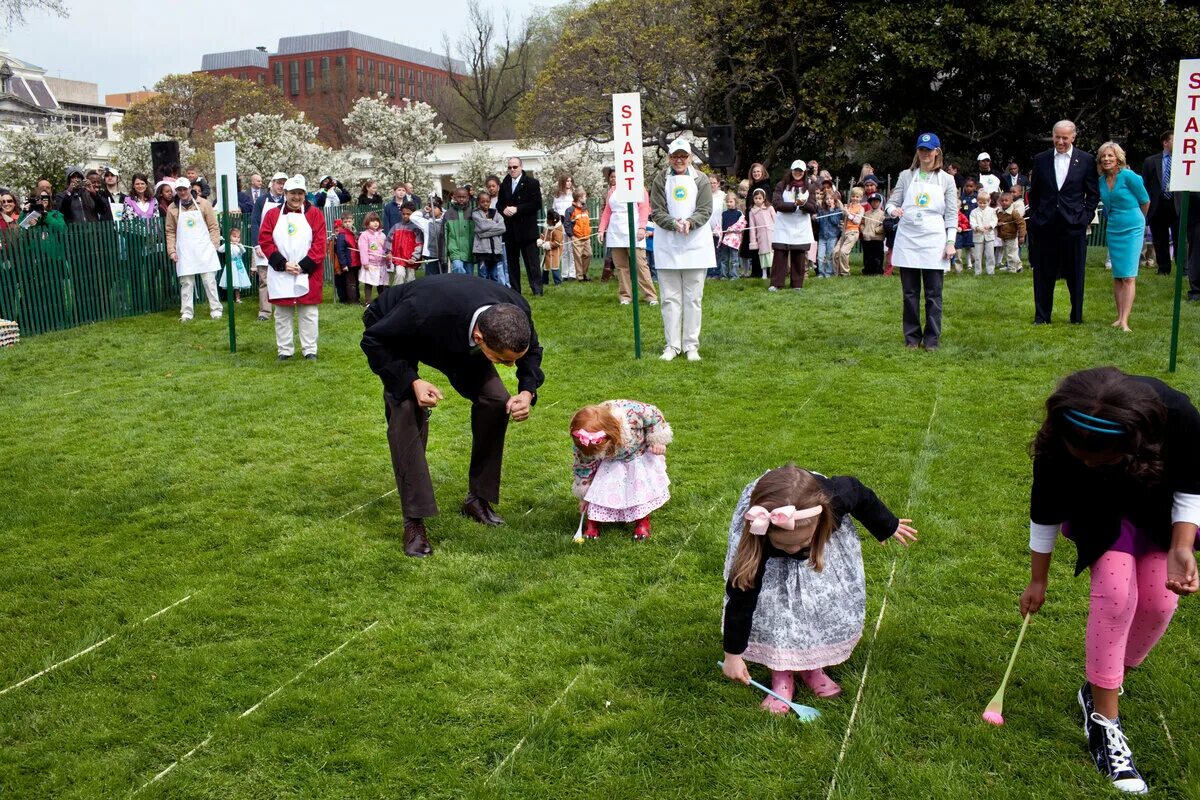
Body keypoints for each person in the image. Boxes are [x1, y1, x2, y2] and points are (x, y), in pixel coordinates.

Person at [1019, 367, 1199, 795]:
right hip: (1100, 513)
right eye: (1081, 458)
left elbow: (1192, 484)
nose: (1088, 463)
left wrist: (1181, 547)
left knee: (1160, 604)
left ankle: (1101, 683)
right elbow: (1044, 510)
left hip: (1158, 511)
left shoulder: (1179, 417)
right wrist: (1037, 580)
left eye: (1102, 460)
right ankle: (1104, 720)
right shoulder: (1060, 437)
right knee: (1116, 596)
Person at [360, 274, 545, 557]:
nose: (510, 366)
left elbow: (531, 351)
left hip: (455, 333)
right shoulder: (420, 310)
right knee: (408, 410)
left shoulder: (514, 308)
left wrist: (527, 390)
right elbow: (373, 340)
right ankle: (414, 521)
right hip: (398, 334)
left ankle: (477, 499)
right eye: (504, 360)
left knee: (496, 400)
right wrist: (412, 381)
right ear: (479, 337)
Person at [721, 464, 917, 709]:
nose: (794, 551)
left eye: (801, 543)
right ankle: (782, 674)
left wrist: (887, 524)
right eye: (785, 546)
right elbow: (741, 598)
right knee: (779, 611)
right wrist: (733, 654)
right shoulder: (757, 539)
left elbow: (858, 492)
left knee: (816, 605)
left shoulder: (834, 500)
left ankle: (812, 666)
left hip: (819, 544)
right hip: (767, 547)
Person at [886, 132, 958, 350]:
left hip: (933, 239)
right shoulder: (906, 176)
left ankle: (932, 339)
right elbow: (892, 202)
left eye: (929, 150)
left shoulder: (947, 179)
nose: (925, 154)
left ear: (937, 152)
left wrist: (950, 241)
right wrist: (892, 210)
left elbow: (952, 213)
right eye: (921, 149)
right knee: (909, 293)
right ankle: (912, 337)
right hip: (908, 237)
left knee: (934, 294)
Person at [1028, 120, 1100, 324]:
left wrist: (1085, 217)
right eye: (1057, 137)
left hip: (1074, 224)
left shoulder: (1086, 160)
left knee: (1076, 272)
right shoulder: (1041, 159)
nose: (1060, 141)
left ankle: (1076, 316)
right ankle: (1042, 316)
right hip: (1045, 224)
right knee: (1043, 272)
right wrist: (1036, 216)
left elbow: (1093, 194)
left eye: (1064, 138)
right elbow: (1035, 193)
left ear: (1073, 137)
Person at [650, 138, 714, 362]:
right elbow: (657, 210)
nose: (679, 160)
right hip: (668, 244)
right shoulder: (660, 179)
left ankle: (691, 345)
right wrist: (673, 223)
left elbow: (706, 209)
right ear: (669, 158)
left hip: (695, 244)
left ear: (690, 158)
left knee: (693, 299)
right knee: (669, 298)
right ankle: (672, 345)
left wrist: (690, 222)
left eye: (683, 156)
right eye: (675, 156)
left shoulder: (701, 179)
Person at [571, 400, 673, 541]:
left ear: (612, 433)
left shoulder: (634, 414)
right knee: (598, 487)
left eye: (599, 449)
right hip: (606, 463)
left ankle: (642, 521)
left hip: (634, 456)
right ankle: (592, 522)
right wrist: (584, 495)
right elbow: (583, 468)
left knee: (638, 488)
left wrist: (657, 440)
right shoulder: (583, 446)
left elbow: (655, 416)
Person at [258, 175, 326, 361]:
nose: (296, 197)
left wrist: (304, 266)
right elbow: (265, 240)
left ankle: (309, 349)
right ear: (285, 193)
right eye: (293, 193)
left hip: (308, 272)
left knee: (309, 312)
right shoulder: (272, 215)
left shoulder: (314, 214)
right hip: (281, 272)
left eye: (300, 193)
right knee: (282, 313)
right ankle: (285, 350)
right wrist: (282, 263)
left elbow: (320, 243)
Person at [1096, 142, 1150, 332]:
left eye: (1110, 156)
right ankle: (1119, 317)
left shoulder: (1129, 176)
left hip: (1132, 226)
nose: (1106, 159)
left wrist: (1139, 221)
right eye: (1103, 156)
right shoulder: (1101, 181)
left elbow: (1145, 200)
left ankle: (1125, 321)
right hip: (1114, 227)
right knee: (1118, 275)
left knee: (1128, 275)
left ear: (1118, 158)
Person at [165, 177, 222, 322]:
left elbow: (213, 226)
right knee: (187, 282)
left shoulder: (204, 204)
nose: (183, 192)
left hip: (204, 248)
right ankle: (187, 312)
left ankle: (216, 309)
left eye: (185, 189)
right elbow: (170, 231)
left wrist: (213, 245)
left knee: (209, 281)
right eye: (179, 190)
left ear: (190, 188)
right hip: (184, 250)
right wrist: (171, 251)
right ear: (176, 191)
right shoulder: (172, 208)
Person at [600, 178, 658, 304]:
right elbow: (607, 211)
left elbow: (644, 208)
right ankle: (625, 296)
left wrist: (642, 227)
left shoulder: (639, 188)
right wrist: (601, 229)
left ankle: (650, 296)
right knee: (621, 267)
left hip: (634, 228)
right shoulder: (612, 190)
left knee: (640, 264)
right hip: (616, 231)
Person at [497, 157, 544, 295]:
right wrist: (504, 209)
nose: (512, 170)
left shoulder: (532, 183)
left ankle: (537, 290)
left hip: (527, 229)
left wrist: (518, 209)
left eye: (515, 167)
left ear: (521, 167)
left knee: (532, 262)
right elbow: (500, 204)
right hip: (510, 229)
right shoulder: (505, 183)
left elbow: (536, 204)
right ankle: (515, 291)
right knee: (512, 263)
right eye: (510, 167)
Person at [770, 160, 819, 290]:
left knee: (799, 255)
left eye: (800, 171)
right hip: (783, 225)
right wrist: (794, 205)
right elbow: (777, 203)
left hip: (801, 226)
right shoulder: (781, 185)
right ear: (791, 171)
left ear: (804, 172)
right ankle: (776, 283)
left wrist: (803, 205)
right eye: (795, 170)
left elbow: (813, 207)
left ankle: (797, 284)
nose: (798, 173)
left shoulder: (810, 187)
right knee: (780, 255)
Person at [250, 173, 288, 322]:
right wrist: (256, 244)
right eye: (279, 183)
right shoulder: (261, 200)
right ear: (272, 183)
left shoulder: (287, 200)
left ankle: (283, 308)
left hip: (282, 246)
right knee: (264, 280)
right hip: (263, 245)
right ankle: (265, 312)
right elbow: (255, 223)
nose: (281, 186)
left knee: (282, 276)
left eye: (284, 183)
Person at [1141, 132, 1177, 276]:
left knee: (1180, 239)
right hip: (1158, 205)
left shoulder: (1183, 162)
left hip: (1176, 203)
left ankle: (1184, 269)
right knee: (1160, 239)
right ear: (1165, 142)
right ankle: (1163, 268)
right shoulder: (1151, 161)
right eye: (1175, 140)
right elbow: (1145, 184)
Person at [472, 189, 507, 284]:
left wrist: (483, 234)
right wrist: (495, 224)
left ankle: (494, 294)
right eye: (482, 201)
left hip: (495, 250)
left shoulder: (496, 213)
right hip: (482, 250)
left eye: (487, 201)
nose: (485, 203)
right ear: (478, 202)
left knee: (494, 275)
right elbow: (482, 226)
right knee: (483, 274)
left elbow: (502, 228)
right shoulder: (475, 214)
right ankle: (483, 294)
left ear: (490, 201)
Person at [388, 201, 424, 286]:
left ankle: (409, 296)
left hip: (411, 260)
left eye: (408, 214)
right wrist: (388, 252)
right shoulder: (396, 227)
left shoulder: (416, 228)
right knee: (400, 275)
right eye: (403, 214)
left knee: (410, 279)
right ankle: (396, 294)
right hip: (399, 258)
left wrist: (414, 257)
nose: (405, 216)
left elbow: (419, 244)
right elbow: (389, 240)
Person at [358, 211, 389, 304]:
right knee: (369, 283)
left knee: (381, 283)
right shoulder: (364, 235)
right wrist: (365, 262)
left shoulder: (382, 235)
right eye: (372, 221)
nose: (375, 223)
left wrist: (387, 260)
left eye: (377, 221)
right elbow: (363, 250)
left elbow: (386, 248)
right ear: (367, 223)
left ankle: (383, 301)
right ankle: (368, 302)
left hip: (381, 264)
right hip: (371, 264)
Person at [833, 186, 865, 276]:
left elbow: (857, 221)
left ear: (861, 198)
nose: (855, 198)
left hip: (853, 232)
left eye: (857, 197)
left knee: (843, 252)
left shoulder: (861, 208)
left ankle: (845, 273)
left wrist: (848, 214)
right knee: (835, 252)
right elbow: (844, 216)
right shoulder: (848, 206)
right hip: (844, 231)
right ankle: (836, 272)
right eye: (853, 196)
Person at [444, 186, 475, 276]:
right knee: (458, 268)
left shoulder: (472, 212)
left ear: (468, 197)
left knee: (469, 275)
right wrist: (445, 253)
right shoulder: (449, 213)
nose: (461, 199)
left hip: (469, 250)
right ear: (454, 197)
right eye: (459, 197)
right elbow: (444, 234)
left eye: (464, 197)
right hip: (454, 249)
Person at [217, 226, 251, 303]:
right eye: (234, 236)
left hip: (238, 266)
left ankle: (238, 298)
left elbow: (243, 251)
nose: (236, 239)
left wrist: (240, 245)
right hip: (231, 265)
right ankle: (230, 298)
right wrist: (227, 244)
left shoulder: (239, 246)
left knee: (237, 283)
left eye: (238, 237)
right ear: (229, 237)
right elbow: (220, 250)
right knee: (231, 281)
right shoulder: (228, 245)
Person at [814, 188, 843, 278]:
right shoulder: (821, 210)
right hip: (822, 236)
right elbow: (819, 222)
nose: (829, 200)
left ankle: (829, 272)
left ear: (834, 200)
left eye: (831, 199)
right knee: (820, 256)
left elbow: (835, 221)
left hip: (832, 236)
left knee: (829, 255)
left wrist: (831, 211)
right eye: (827, 199)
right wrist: (815, 218)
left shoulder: (838, 210)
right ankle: (821, 272)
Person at [716, 193, 746, 281]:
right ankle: (724, 275)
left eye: (731, 202)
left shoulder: (739, 213)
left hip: (734, 240)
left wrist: (732, 229)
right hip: (724, 240)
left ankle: (734, 276)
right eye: (727, 202)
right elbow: (719, 225)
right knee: (724, 259)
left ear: (735, 202)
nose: (729, 203)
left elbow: (741, 224)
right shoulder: (723, 214)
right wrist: (718, 231)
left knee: (734, 259)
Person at [995, 191, 1027, 273]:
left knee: (1011, 253)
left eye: (1006, 200)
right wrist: (997, 224)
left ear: (1011, 201)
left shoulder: (1014, 212)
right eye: (1002, 201)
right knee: (1010, 252)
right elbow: (994, 221)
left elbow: (1021, 224)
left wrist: (1022, 236)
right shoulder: (998, 212)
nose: (1004, 202)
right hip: (1003, 236)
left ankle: (1012, 269)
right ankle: (1019, 267)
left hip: (1012, 236)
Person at [747, 187, 775, 279]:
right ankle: (764, 273)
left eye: (760, 198)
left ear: (764, 198)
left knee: (772, 254)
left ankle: (773, 272)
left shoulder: (769, 208)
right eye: (756, 198)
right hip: (761, 237)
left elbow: (776, 220)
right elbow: (752, 228)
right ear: (753, 199)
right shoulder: (752, 212)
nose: (758, 200)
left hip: (772, 235)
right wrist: (753, 241)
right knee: (763, 255)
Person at [552, 174, 576, 280]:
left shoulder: (573, 195)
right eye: (567, 181)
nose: (569, 183)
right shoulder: (557, 196)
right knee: (564, 250)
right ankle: (565, 274)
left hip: (571, 225)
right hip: (560, 225)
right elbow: (554, 210)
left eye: (570, 181)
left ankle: (572, 274)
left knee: (571, 249)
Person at [334, 213, 362, 304]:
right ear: (342, 222)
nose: (347, 224)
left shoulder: (354, 233)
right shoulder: (342, 235)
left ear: (353, 221)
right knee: (351, 283)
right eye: (345, 222)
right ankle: (353, 301)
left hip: (356, 262)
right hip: (349, 263)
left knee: (356, 282)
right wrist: (344, 264)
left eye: (349, 221)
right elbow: (340, 251)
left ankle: (357, 298)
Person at [970, 190, 998, 275]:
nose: (982, 205)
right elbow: (972, 222)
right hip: (978, 235)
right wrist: (977, 227)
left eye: (984, 203)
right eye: (980, 203)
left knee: (990, 255)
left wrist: (990, 225)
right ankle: (978, 272)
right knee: (977, 255)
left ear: (989, 202)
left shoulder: (992, 211)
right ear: (977, 201)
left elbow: (995, 220)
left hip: (989, 235)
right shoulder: (974, 212)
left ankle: (990, 271)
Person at [568, 189, 592, 281]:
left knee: (588, 254)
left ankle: (584, 273)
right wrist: (571, 235)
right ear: (579, 198)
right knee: (578, 257)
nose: (586, 198)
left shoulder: (585, 209)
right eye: (584, 196)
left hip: (586, 237)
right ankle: (580, 277)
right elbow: (567, 224)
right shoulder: (571, 210)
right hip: (576, 237)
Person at [860, 193, 886, 275]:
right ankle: (867, 270)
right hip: (867, 238)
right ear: (870, 203)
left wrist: (876, 230)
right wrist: (863, 230)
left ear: (879, 202)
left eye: (876, 201)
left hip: (877, 238)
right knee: (867, 255)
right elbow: (862, 223)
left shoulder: (882, 214)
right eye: (872, 201)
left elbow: (883, 225)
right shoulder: (866, 213)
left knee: (877, 256)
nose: (874, 203)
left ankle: (878, 270)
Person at [539, 209, 564, 286]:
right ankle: (544, 282)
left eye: (548, 220)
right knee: (546, 266)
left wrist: (548, 245)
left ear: (552, 221)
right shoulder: (547, 227)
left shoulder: (558, 230)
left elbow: (557, 242)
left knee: (554, 267)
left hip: (555, 252)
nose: (546, 221)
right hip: (547, 252)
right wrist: (540, 240)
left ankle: (558, 282)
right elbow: (544, 235)